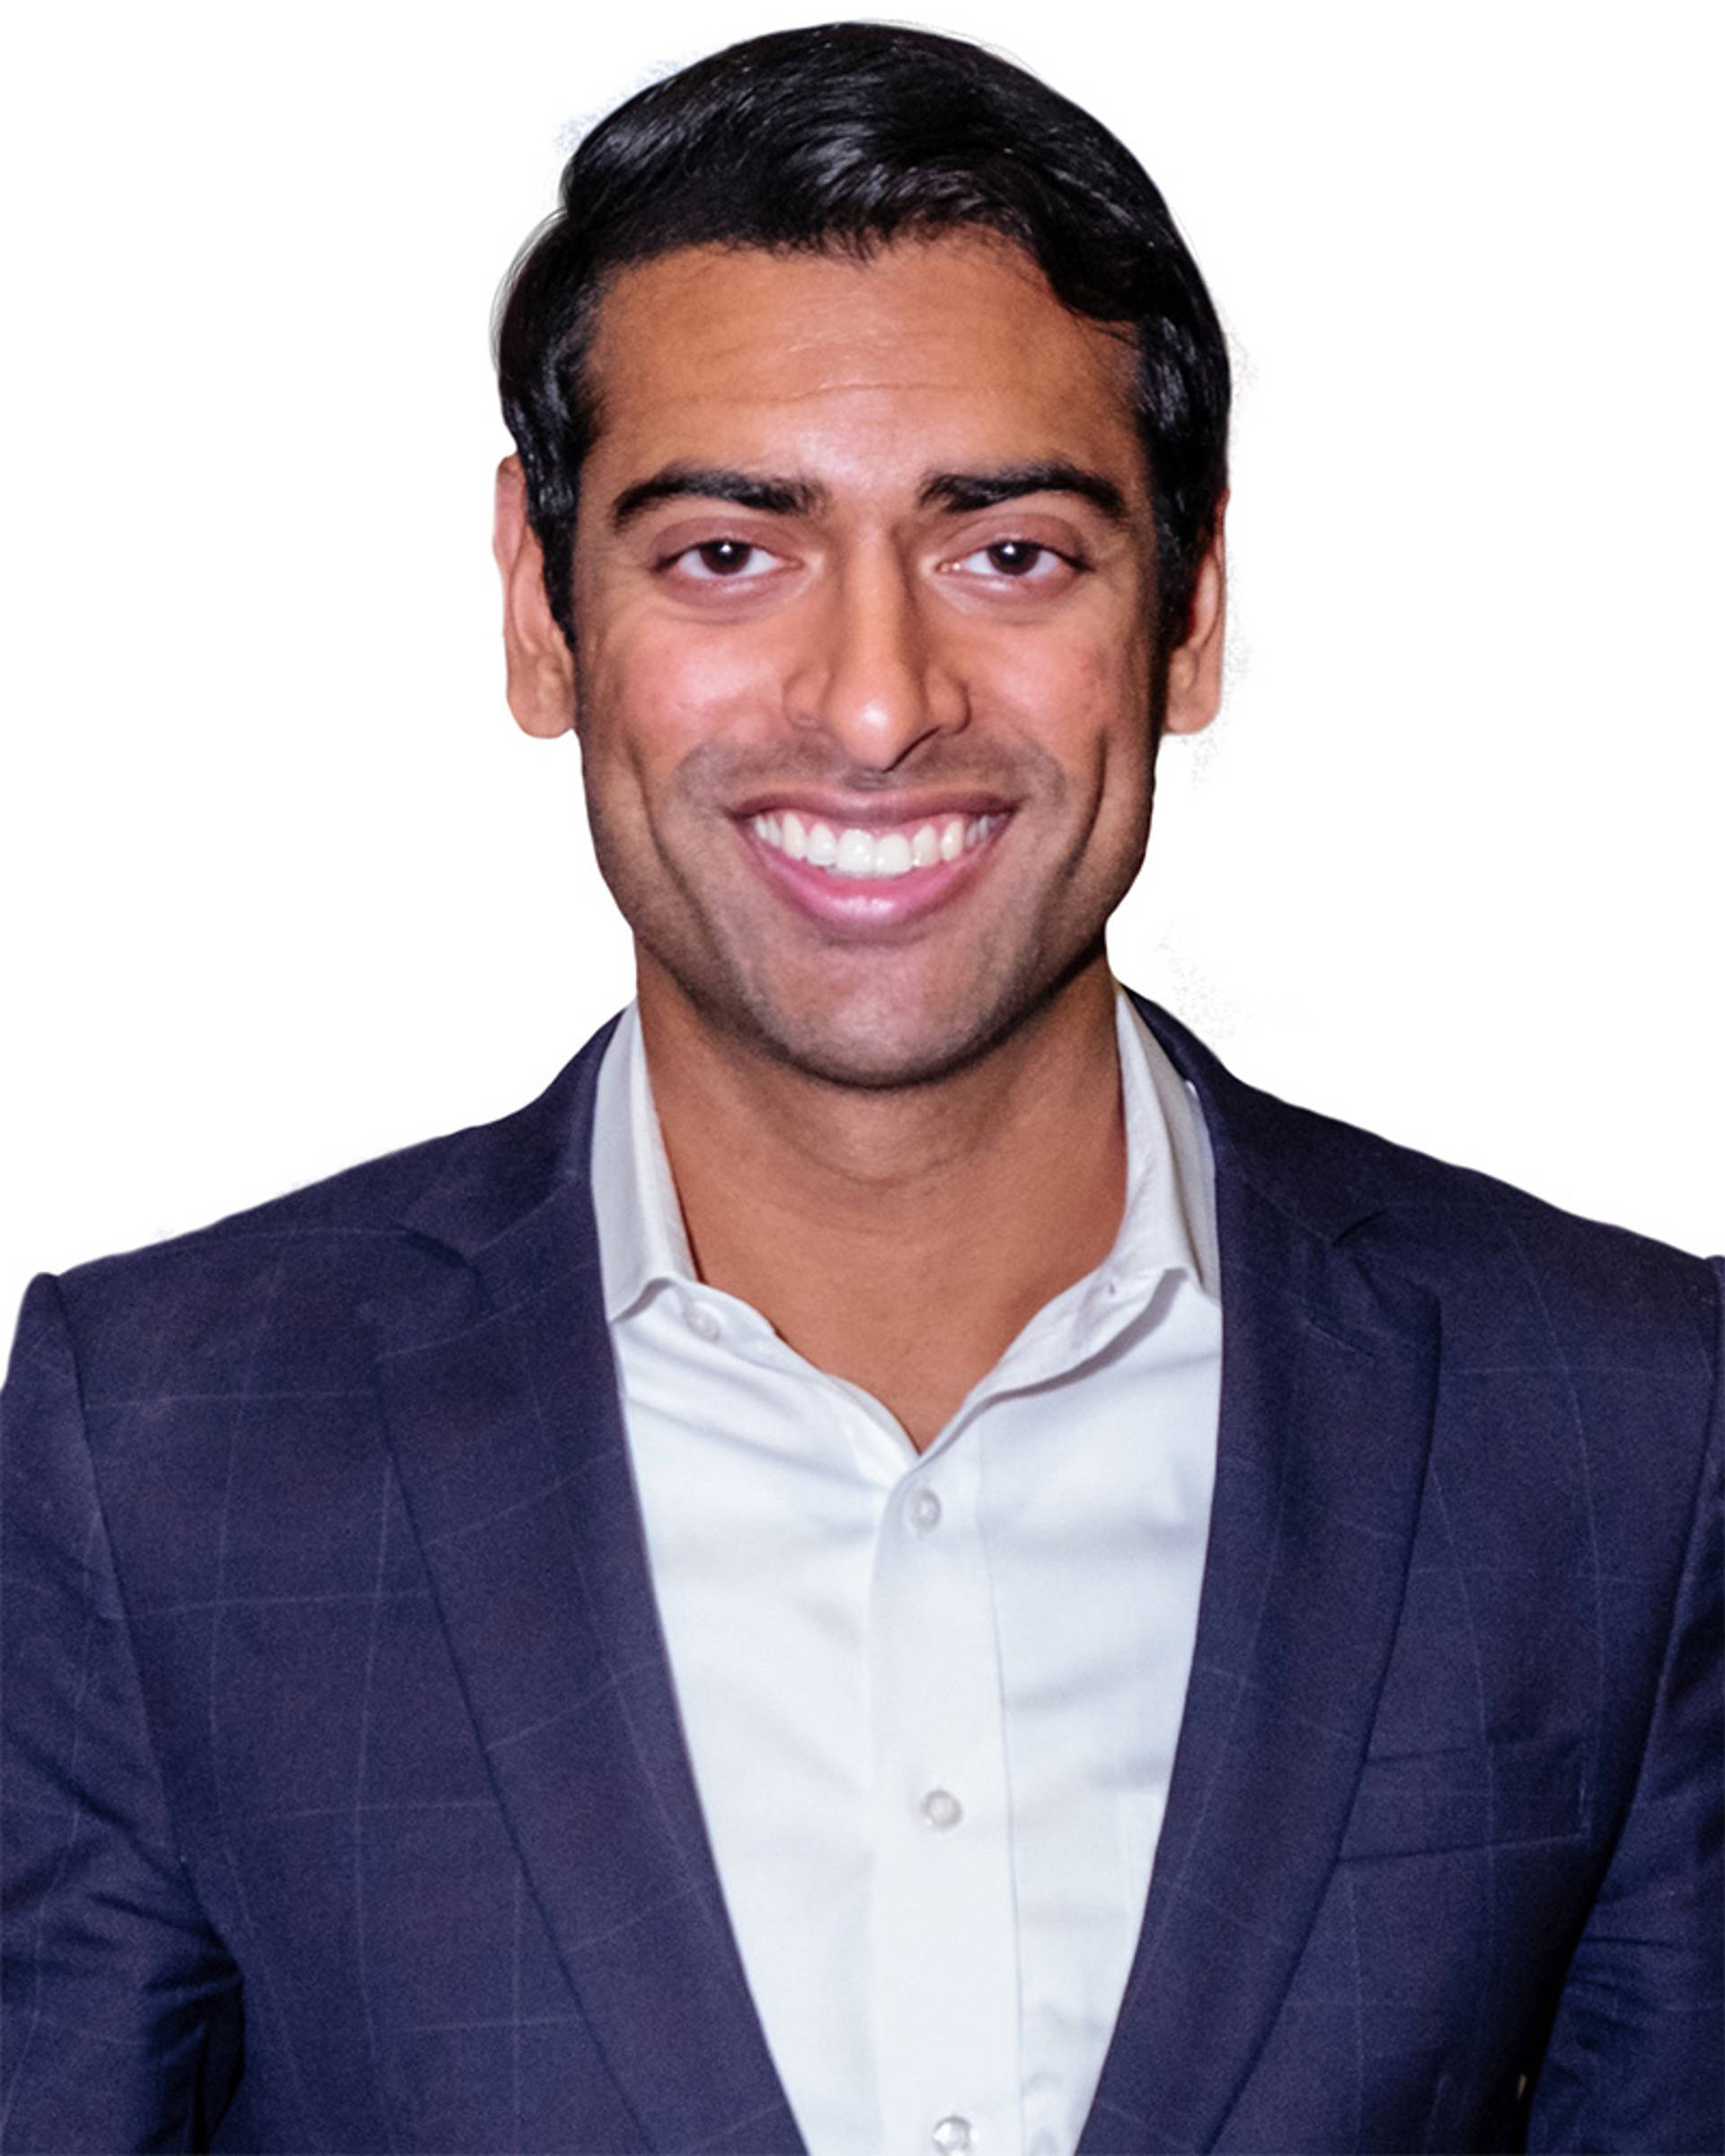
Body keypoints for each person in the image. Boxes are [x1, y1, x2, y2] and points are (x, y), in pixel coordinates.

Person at [1, 20, 1717, 2154]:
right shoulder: (149, 1454)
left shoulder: (1634, 1430)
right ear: (542, 608)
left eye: (1009, 551)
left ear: (1186, 608)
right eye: (730, 550)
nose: (881, 702)